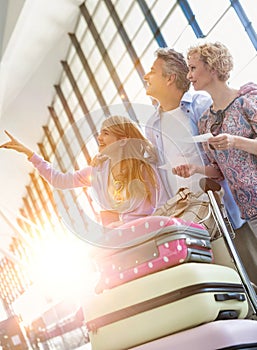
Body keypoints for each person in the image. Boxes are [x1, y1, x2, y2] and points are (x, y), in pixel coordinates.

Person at [172, 42, 257, 285]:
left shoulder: (246, 101)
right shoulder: (207, 121)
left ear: (213, 68)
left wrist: (235, 141)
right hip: (250, 209)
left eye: (193, 68)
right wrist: (196, 169)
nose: (188, 76)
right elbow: (218, 171)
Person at [143, 47, 252, 230]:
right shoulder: (152, 126)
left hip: (224, 209)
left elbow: (229, 156)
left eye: (152, 71)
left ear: (170, 78)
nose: (146, 77)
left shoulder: (201, 105)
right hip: (189, 218)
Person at [0, 115, 159, 228]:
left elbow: (159, 205)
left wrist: (128, 224)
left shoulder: (143, 168)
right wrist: (29, 154)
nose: (99, 137)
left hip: (146, 231)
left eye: (106, 133)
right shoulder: (97, 172)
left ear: (123, 140)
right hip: (122, 236)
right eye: (100, 133)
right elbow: (60, 181)